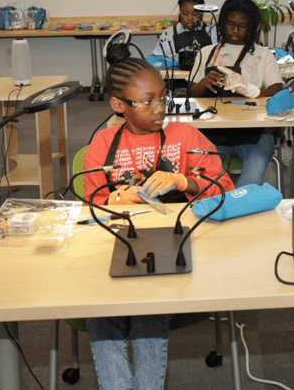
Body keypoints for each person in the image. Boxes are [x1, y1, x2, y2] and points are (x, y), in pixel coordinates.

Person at [83, 42, 234, 390]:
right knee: (101, 307)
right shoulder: (102, 145)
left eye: (162, 98)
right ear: (119, 106)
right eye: (146, 101)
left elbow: (223, 186)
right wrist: (114, 198)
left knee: (149, 307)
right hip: (118, 244)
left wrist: (185, 180)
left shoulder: (184, 136)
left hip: (174, 243)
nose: (159, 108)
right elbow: (90, 204)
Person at [188, 0, 283, 187]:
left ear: (252, 27)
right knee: (206, 185)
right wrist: (204, 83)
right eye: (231, 24)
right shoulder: (206, 53)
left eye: (243, 26)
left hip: (253, 135)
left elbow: (277, 89)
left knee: (249, 185)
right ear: (222, 23)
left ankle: (240, 206)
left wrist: (251, 90)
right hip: (211, 134)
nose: (236, 30)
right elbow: (190, 93)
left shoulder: (263, 55)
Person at [151, 0, 213, 68]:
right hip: (177, 78)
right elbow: (155, 61)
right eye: (185, 13)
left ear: (201, 13)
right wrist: (174, 62)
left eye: (195, 14)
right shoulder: (169, 35)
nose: (190, 18)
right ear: (180, 13)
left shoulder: (212, 32)